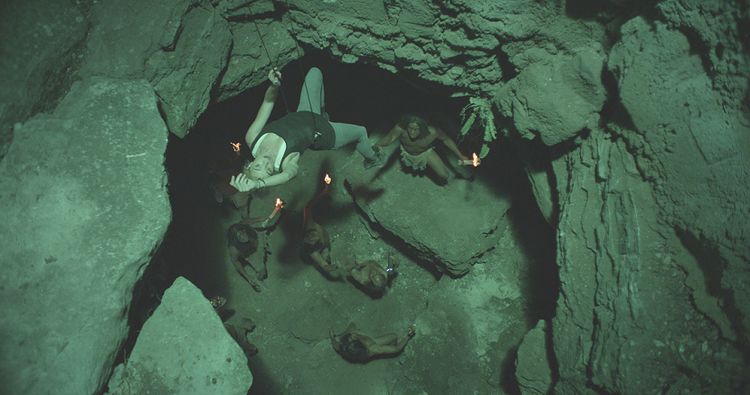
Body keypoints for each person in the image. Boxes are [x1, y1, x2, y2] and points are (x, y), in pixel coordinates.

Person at [230, 67, 384, 193]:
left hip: (306, 111)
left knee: (315, 72)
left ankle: (323, 113)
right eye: (269, 170)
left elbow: (268, 102)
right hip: (326, 133)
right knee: (361, 132)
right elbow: (288, 175)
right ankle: (372, 159)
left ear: (250, 164)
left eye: (258, 166)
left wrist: (274, 86)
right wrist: (258, 184)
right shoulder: (287, 162)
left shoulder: (252, 138)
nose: (265, 163)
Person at [374, 114, 472, 185]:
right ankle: (407, 167)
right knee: (408, 165)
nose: (412, 132)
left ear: (423, 128)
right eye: (410, 128)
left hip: (425, 153)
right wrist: (379, 144)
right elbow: (390, 138)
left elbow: (446, 140)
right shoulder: (400, 129)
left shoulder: (433, 132)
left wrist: (460, 156)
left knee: (444, 176)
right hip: (406, 153)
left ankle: (432, 174)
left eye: (416, 129)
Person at [329, 323, 415, 363]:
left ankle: (345, 335)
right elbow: (396, 349)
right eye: (353, 337)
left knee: (352, 327)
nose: (353, 334)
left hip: (356, 349)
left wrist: (332, 336)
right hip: (370, 345)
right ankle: (392, 345)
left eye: (351, 336)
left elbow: (334, 343)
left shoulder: (342, 346)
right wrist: (408, 336)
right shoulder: (373, 347)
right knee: (394, 336)